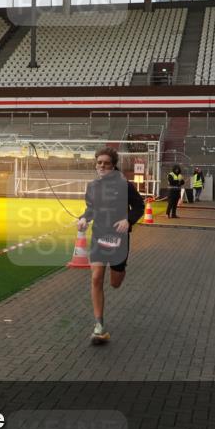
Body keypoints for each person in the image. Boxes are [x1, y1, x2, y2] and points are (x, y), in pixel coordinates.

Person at [76, 147, 146, 345]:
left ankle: (121, 270)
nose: (102, 166)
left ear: (113, 165)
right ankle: (99, 325)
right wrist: (84, 218)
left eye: (106, 163)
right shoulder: (92, 186)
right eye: (99, 162)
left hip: (118, 240)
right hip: (98, 236)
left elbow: (139, 206)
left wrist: (128, 220)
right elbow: (91, 209)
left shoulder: (125, 185)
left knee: (115, 283)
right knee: (96, 278)